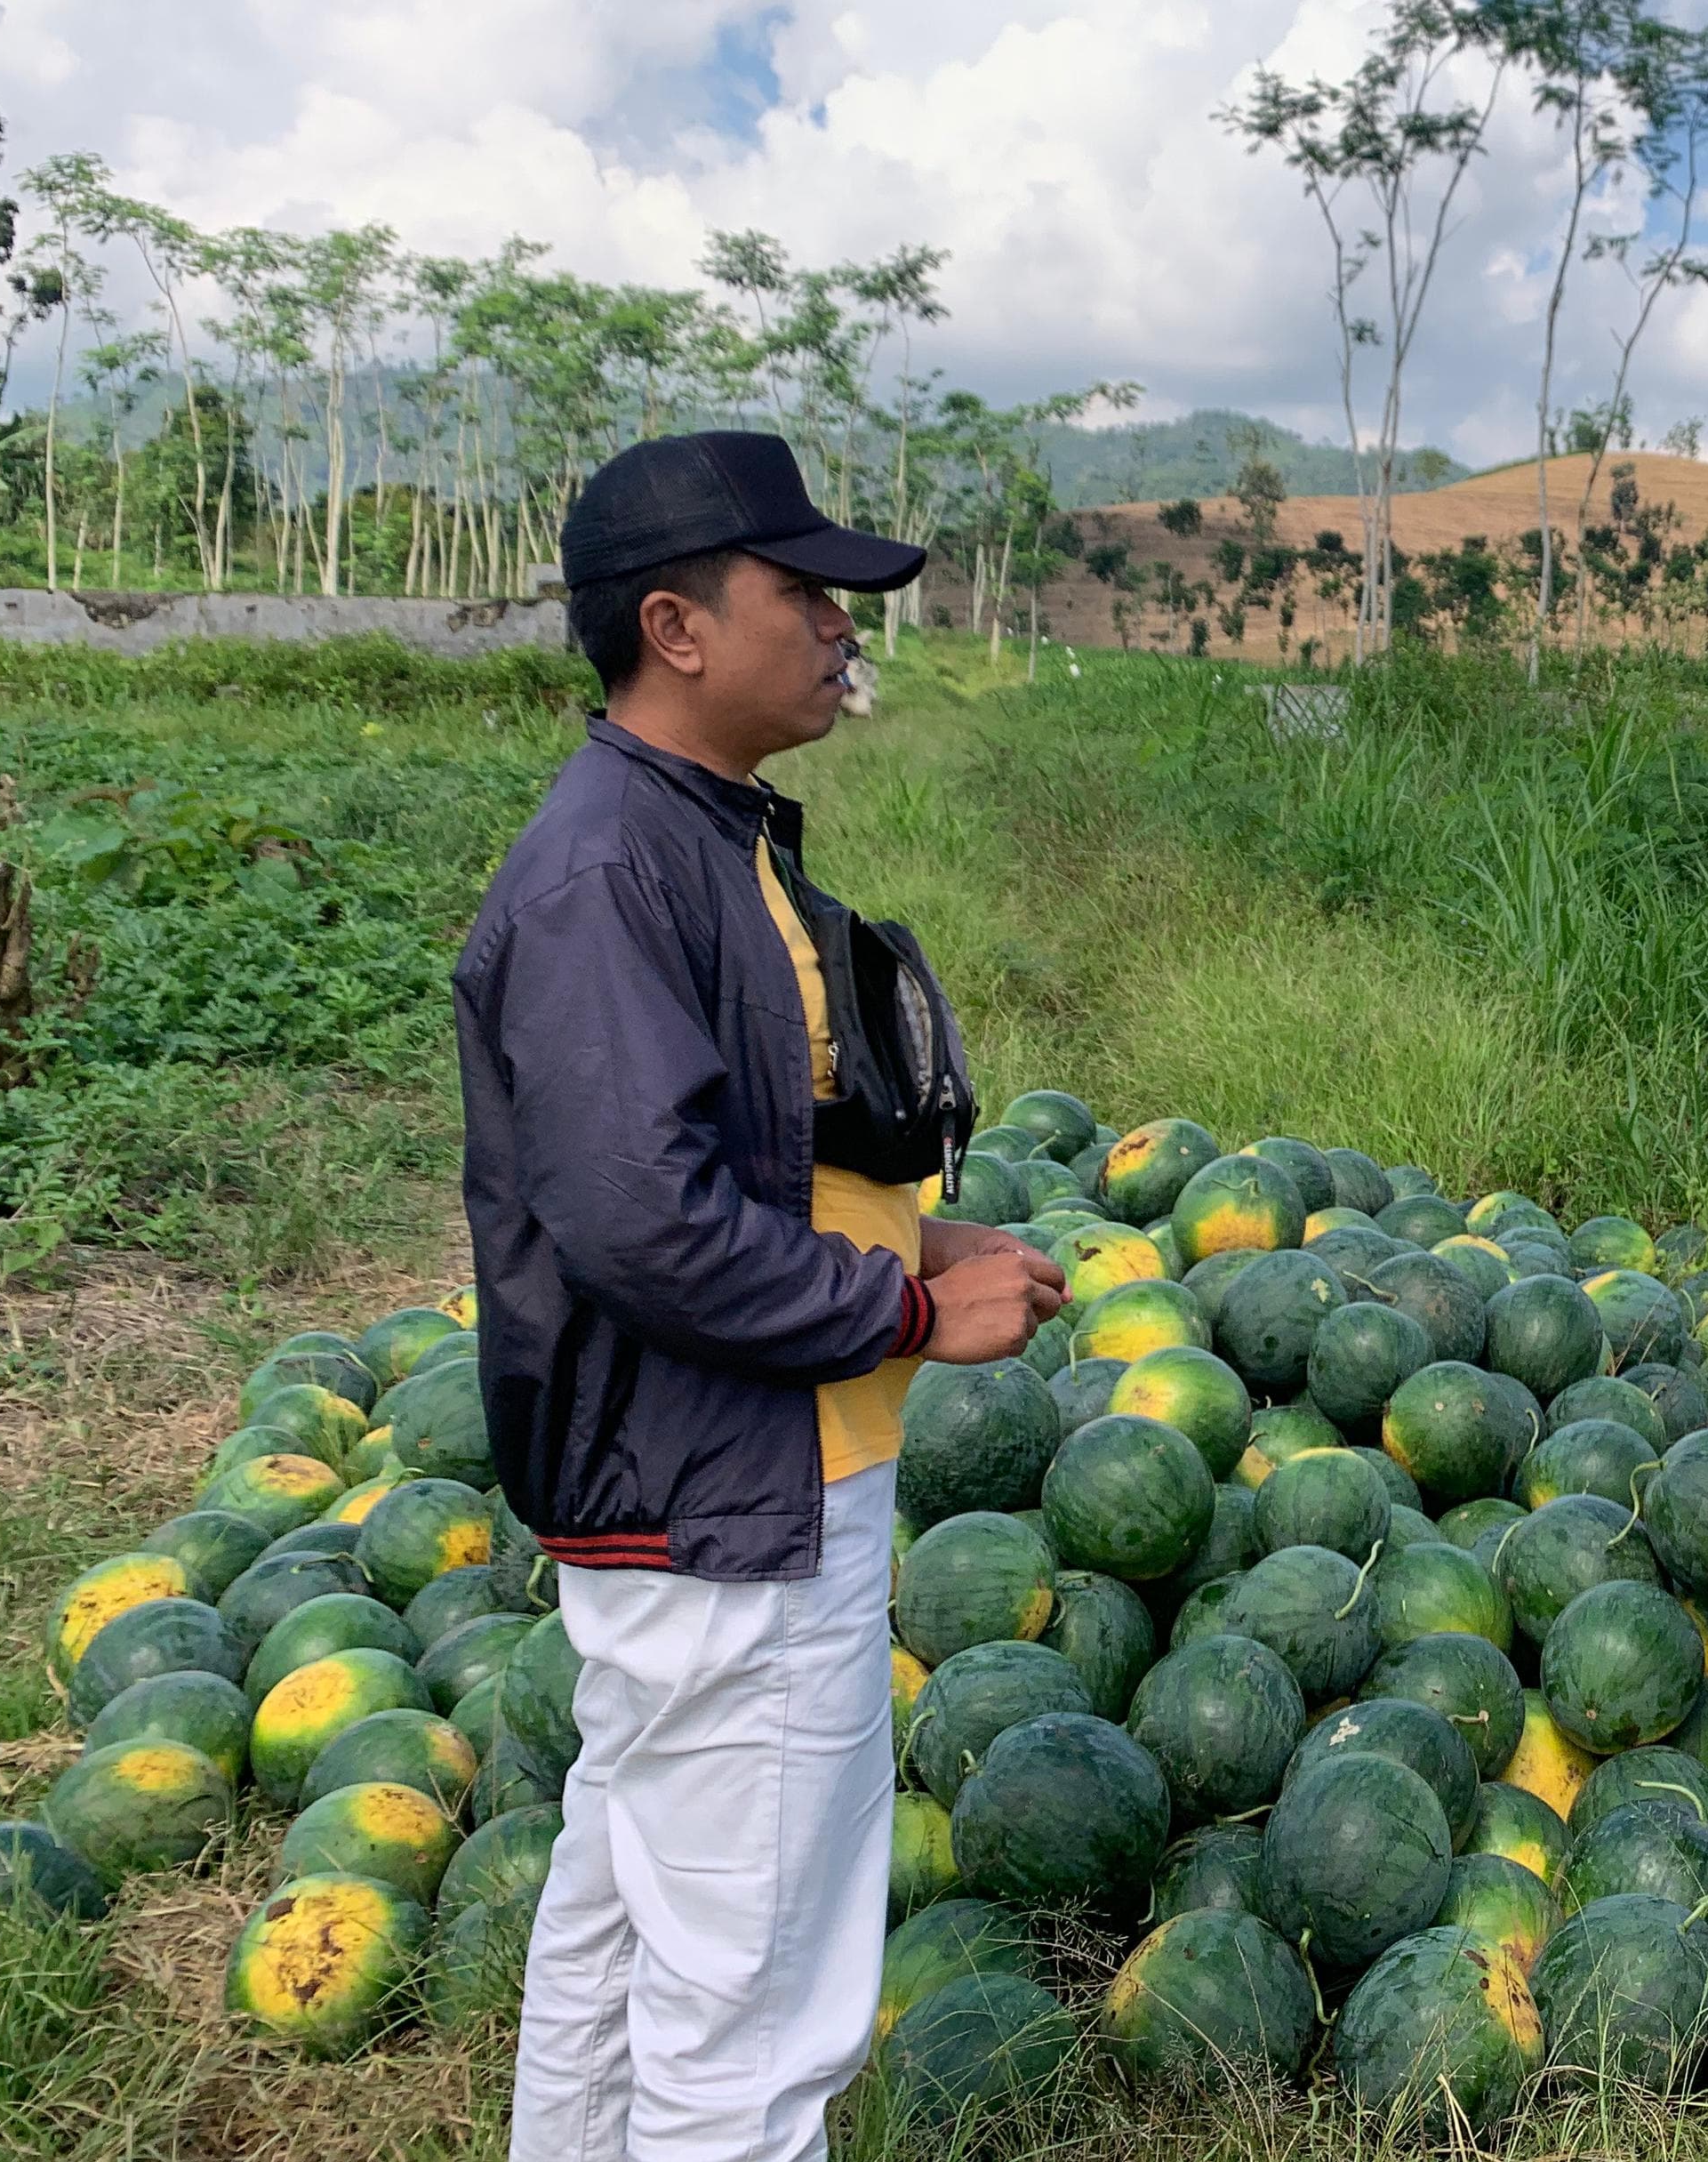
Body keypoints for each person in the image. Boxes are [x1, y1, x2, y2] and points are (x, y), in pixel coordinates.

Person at [457, 430, 1061, 2162]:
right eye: (803, 593)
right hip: (736, 1500)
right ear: (679, 627)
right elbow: (647, 1224)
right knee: (755, 2023)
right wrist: (917, 1320)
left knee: (630, 1926)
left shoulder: (697, 841)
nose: (840, 627)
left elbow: (736, 1153)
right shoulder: (606, 876)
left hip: (719, 1492)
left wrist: (922, 1241)